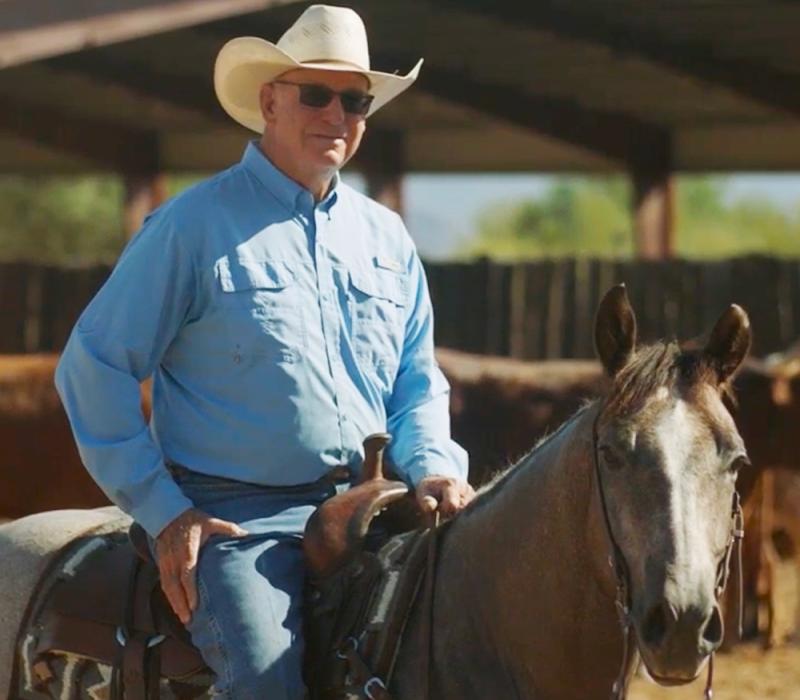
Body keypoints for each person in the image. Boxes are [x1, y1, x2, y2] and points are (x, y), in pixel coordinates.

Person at [54, 4, 473, 699]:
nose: (336, 114)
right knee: (268, 682)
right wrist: (166, 511)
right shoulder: (191, 225)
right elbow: (93, 365)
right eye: (316, 94)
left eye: (355, 99)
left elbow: (415, 381)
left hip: (378, 502)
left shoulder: (387, 238)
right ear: (269, 101)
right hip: (238, 521)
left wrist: (432, 468)